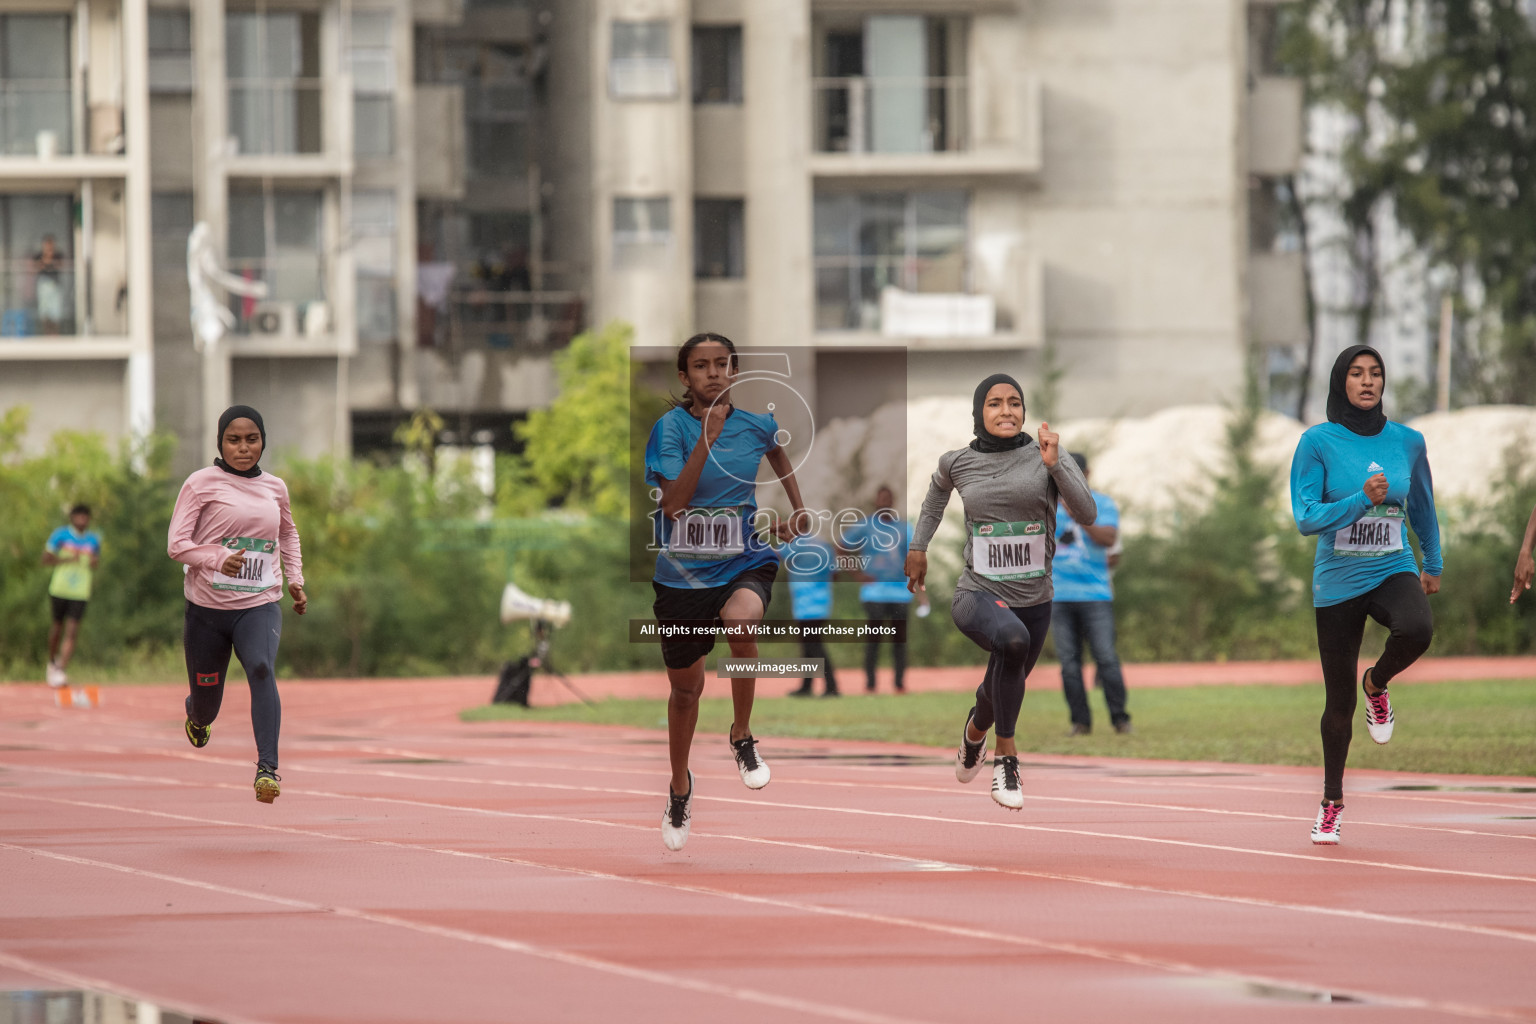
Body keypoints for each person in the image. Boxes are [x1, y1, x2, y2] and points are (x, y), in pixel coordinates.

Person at [645, 332, 809, 850]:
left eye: (722, 364)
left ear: (734, 371)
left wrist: (797, 505)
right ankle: (679, 784)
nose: (713, 373)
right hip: (682, 578)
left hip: (744, 557)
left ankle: (741, 734)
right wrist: (708, 439)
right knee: (686, 692)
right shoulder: (669, 430)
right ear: (685, 377)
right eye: (701, 366)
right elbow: (673, 506)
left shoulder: (757, 424)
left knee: (743, 623)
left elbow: (778, 454)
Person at [905, 374, 1096, 810]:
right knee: (1011, 642)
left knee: (1003, 678)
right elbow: (935, 497)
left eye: (1015, 403)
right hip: (977, 592)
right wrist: (918, 546)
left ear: (1025, 411)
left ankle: (975, 733)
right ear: (979, 413)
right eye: (994, 403)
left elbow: (1086, 513)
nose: (1006, 411)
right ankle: (1006, 758)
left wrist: (1056, 464)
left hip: (1035, 598)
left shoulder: (1046, 454)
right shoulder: (957, 461)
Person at [1290, 345, 1440, 845]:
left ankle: (1376, 683)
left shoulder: (1408, 442)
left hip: (1393, 565)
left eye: (1376, 373)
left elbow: (1422, 507)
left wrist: (1433, 562)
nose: (1367, 381)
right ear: (1341, 382)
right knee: (1337, 705)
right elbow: (1307, 516)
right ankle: (1331, 803)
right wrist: (1360, 499)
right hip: (1338, 580)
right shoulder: (1317, 442)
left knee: (1418, 629)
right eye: (1356, 373)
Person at [168, 405, 308, 804]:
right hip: (207, 611)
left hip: (259, 603)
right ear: (220, 442)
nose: (244, 448)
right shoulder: (200, 484)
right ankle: (196, 713)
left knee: (262, 669)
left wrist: (295, 579)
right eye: (234, 440)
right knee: (208, 705)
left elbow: (288, 533)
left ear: (263, 441)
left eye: (252, 439)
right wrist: (215, 558)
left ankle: (268, 769)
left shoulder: (275, 487)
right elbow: (176, 545)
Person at [1052, 452, 1131, 736]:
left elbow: (1109, 539)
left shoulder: (1103, 503)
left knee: (1106, 658)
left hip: (1096, 596)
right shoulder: (1045, 506)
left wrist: (1080, 514)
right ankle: (1080, 722)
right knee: (1069, 665)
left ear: (1087, 474)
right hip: (1058, 597)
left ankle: (1120, 719)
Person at [843, 486, 925, 692]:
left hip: (900, 594)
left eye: (888, 499)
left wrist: (922, 594)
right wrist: (858, 575)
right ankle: (870, 684)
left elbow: (915, 561)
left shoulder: (904, 529)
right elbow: (840, 548)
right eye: (881, 499)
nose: (884, 503)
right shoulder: (865, 526)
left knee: (899, 641)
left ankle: (899, 684)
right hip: (874, 593)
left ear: (892, 502)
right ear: (876, 502)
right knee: (874, 640)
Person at [41, 504, 102, 688]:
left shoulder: (93, 540)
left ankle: (60, 669)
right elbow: (45, 559)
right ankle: (51, 662)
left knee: (72, 630)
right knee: (57, 628)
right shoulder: (60, 535)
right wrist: (67, 559)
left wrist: (93, 562)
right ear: (73, 517)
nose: (82, 520)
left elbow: (95, 563)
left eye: (86, 517)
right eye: (79, 516)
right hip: (60, 589)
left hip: (80, 592)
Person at [777, 525, 840, 697]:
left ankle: (832, 687)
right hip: (822, 602)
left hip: (804, 604)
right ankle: (806, 686)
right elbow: (835, 574)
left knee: (814, 646)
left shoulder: (795, 544)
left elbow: (773, 556)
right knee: (809, 645)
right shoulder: (824, 546)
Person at [33, 235, 65, 335]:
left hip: (55, 284)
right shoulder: (39, 255)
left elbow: (59, 265)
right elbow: (36, 266)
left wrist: (50, 260)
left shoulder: (58, 255)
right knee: (45, 310)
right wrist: (46, 259)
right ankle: (46, 333)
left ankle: (55, 333)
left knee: (55, 311)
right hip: (43, 284)